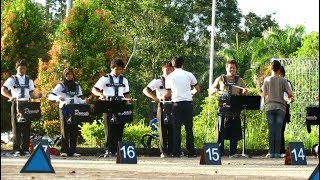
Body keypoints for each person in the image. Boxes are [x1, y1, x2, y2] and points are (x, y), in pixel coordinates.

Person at [1, 59, 42, 157]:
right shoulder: (12, 79)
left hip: (27, 104)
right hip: (17, 103)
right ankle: (16, 149)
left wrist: (38, 96)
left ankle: (25, 149)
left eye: (24, 68)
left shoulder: (29, 80)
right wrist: (10, 97)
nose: (22, 70)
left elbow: (31, 94)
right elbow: (3, 90)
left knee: (27, 127)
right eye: (20, 68)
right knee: (17, 127)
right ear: (16, 68)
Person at [91, 57, 132, 157]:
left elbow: (126, 93)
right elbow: (94, 89)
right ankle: (109, 150)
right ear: (112, 68)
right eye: (116, 69)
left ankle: (118, 150)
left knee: (120, 127)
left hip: (121, 104)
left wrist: (128, 101)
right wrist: (100, 94)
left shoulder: (124, 79)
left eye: (120, 69)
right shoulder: (105, 78)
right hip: (109, 104)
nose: (118, 71)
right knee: (110, 128)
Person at [209, 59, 248, 157]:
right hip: (223, 108)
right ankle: (219, 154)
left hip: (235, 109)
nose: (232, 69)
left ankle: (233, 153)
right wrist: (216, 90)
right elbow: (211, 89)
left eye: (234, 68)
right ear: (226, 68)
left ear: (236, 69)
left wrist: (244, 92)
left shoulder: (240, 80)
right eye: (230, 67)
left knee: (234, 132)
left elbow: (244, 93)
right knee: (221, 131)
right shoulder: (221, 78)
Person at [164, 56, 200, 158]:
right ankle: (191, 152)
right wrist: (190, 93)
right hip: (188, 104)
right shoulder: (189, 74)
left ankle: (177, 152)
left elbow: (168, 93)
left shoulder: (170, 77)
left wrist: (162, 97)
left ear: (173, 65)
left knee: (176, 129)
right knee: (189, 129)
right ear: (183, 64)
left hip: (176, 104)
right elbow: (197, 89)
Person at [48, 67, 89, 157]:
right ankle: (64, 150)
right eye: (67, 74)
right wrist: (58, 98)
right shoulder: (60, 86)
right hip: (65, 108)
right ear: (64, 75)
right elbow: (50, 96)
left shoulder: (77, 86)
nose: (69, 76)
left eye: (70, 74)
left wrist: (84, 101)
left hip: (74, 109)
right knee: (65, 130)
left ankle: (73, 151)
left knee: (74, 130)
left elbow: (79, 99)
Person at [261, 60, 293, 158]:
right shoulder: (283, 80)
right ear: (280, 69)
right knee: (278, 130)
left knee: (271, 129)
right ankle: (277, 153)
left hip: (270, 107)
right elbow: (290, 93)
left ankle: (271, 152)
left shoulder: (266, 80)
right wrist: (289, 98)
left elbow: (263, 94)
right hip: (281, 107)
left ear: (271, 68)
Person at [143, 61, 174, 158]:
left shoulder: (175, 80)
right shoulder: (158, 81)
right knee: (162, 129)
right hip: (162, 105)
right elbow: (146, 90)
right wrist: (154, 97)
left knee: (173, 129)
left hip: (173, 105)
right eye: (166, 69)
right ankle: (163, 151)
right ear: (162, 69)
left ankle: (172, 151)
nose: (168, 71)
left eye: (170, 69)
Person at [279, 66, 294, 157]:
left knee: (281, 129)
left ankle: (281, 150)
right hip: (274, 106)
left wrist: (290, 99)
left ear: (281, 73)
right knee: (274, 129)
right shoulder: (271, 81)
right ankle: (274, 150)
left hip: (284, 106)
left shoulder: (287, 83)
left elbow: (290, 96)